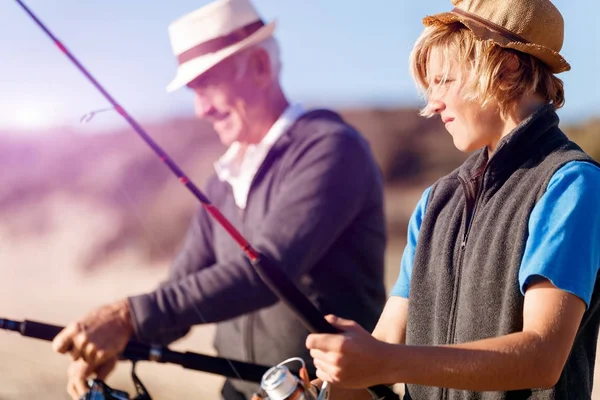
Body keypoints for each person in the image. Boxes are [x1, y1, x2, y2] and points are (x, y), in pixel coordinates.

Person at [51, 0, 388, 399]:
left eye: (208, 84)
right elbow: (183, 287)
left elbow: (268, 270)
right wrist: (120, 339)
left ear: (261, 66)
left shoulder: (331, 149)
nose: (201, 109)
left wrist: (128, 316)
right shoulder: (222, 181)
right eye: (194, 91)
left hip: (332, 393)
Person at [306, 0, 600, 398]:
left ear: (508, 65)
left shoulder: (569, 184)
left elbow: (542, 357)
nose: (432, 104)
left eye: (444, 80)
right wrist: (325, 389)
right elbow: (382, 354)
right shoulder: (435, 202)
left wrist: (383, 361)